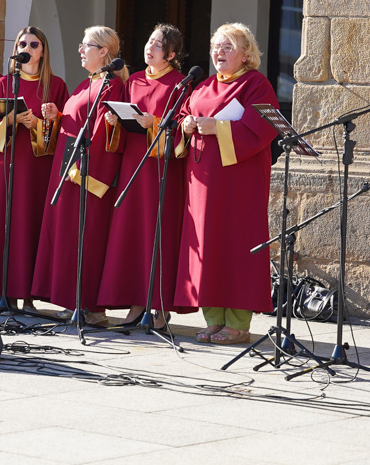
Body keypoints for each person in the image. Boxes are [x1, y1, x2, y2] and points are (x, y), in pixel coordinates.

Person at [175, 23, 278, 345]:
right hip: (203, 181)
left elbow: (261, 128)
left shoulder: (256, 85)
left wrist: (216, 127)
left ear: (246, 54)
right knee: (207, 245)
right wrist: (187, 124)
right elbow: (182, 116)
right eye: (216, 47)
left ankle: (237, 322)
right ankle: (214, 319)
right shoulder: (203, 86)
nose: (219, 52)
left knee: (235, 246)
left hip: (239, 182)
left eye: (228, 47)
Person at [98, 24, 193, 328]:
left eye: (157, 44)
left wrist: (151, 121)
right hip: (132, 167)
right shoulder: (135, 80)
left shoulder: (180, 84)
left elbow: (180, 129)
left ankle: (161, 307)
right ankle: (137, 303)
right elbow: (123, 125)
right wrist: (115, 119)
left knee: (159, 233)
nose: (149, 48)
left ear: (172, 54)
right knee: (132, 234)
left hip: (161, 170)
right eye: (149, 42)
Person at [32, 26, 127, 325]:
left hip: (85, 176)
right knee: (68, 238)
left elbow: (106, 132)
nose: (80, 50)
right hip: (69, 169)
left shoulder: (111, 86)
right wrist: (56, 117)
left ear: (103, 52)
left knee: (88, 237)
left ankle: (91, 308)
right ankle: (73, 301)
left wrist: (84, 173)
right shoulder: (87, 84)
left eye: (85, 45)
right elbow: (78, 124)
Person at [0, 27, 69, 310]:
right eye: (22, 43)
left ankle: (28, 296)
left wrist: (39, 125)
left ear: (43, 50)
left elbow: (66, 128)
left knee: (30, 226)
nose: (27, 48)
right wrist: (12, 121)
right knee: (4, 225)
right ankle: (5, 292)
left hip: (37, 169)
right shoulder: (2, 85)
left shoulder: (55, 85)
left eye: (33, 44)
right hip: (6, 167)